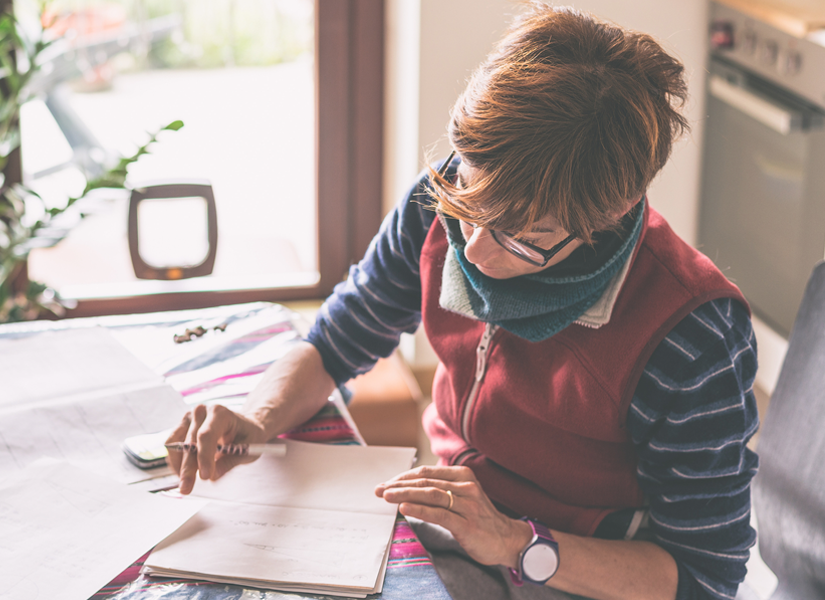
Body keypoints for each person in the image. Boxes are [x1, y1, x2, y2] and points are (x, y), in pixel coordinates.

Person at [166, 5, 758, 600]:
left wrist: (515, 543)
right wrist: (256, 416)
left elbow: (703, 576)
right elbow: (337, 338)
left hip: (582, 570)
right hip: (457, 515)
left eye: (523, 238)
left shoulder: (692, 332)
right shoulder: (444, 203)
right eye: (468, 202)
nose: (472, 251)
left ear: (606, 219)